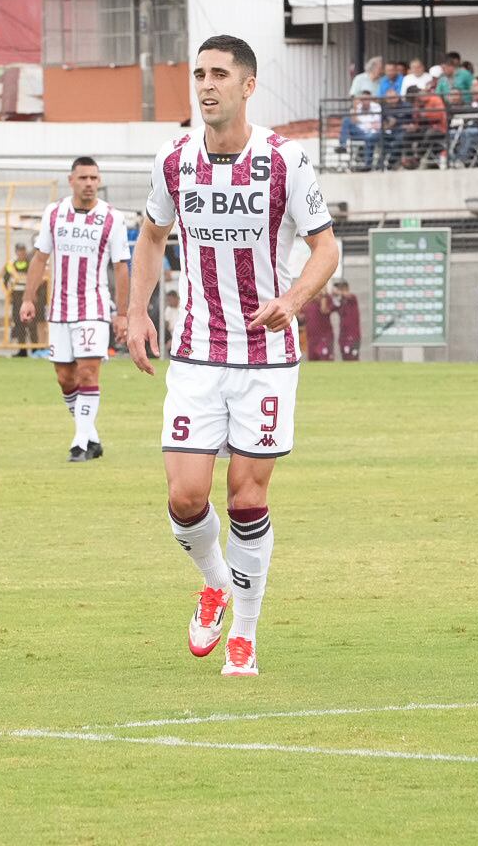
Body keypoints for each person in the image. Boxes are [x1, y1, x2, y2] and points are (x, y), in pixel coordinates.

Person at [126, 34, 338, 678]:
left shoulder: (284, 160)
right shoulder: (173, 161)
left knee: (246, 498)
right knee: (186, 497)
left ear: (248, 86)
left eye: (220, 74)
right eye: (199, 74)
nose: (207, 84)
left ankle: (245, 634)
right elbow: (152, 236)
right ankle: (216, 582)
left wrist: (293, 298)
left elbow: (326, 248)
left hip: (267, 358)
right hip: (196, 352)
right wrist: (135, 311)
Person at [20, 157, 132, 462]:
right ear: (71, 180)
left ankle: (80, 443)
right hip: (59, 309)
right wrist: (29, 298)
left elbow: (121, 267)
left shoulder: (112, 218)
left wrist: (122, 314)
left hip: (93, 308)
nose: (89, 183)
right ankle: (92, 436)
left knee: (87, 371)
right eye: (83, 178)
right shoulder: (54, 213)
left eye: (94, 178)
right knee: (65, 378)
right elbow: (41, 258)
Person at [3, 242, 35, 354]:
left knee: (31, 323)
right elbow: (5, 279)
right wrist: (8, 293)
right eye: (19, 250)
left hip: (28, 296)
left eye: (23, 250)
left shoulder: (30, 263)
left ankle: (35, 348)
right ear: (16, 252)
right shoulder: (11, 265)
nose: (22, 252)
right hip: (16, 296)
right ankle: (22, 349)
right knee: (19, 323)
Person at [331, 279, 361, 360]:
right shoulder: (340, 302)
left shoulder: (352, 298)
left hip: (353, 335)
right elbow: (328, 309)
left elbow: (348, 295)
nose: (339, 290)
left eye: (341, 288)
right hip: (343, 336)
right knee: (346, 359)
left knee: (353, 359)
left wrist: (337, 293)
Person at [300, 293, 335, 361]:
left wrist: (323, 297)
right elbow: (301, 317)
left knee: (326, 360)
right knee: (313, 361)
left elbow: (324, 310)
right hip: (311, 339)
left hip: (324, 338)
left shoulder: (326, 298)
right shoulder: (308, 303)